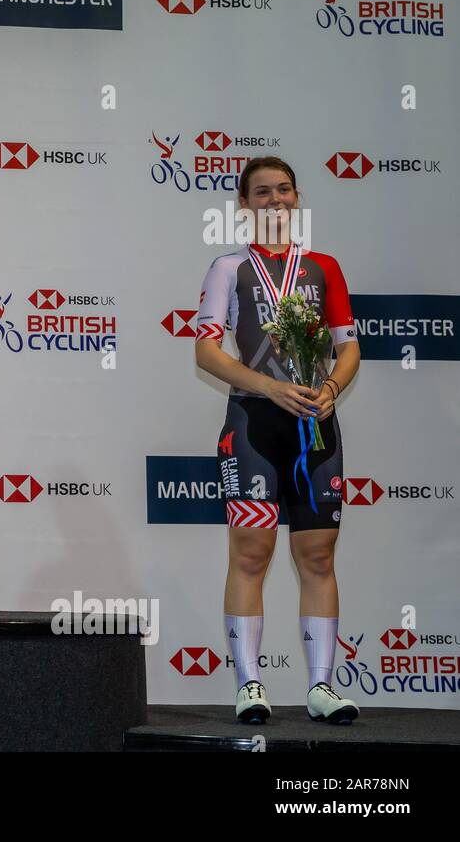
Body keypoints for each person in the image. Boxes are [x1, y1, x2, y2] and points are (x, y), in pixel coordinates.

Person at [195, 157, 362, 724]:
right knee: (252, 553)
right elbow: (207, 351)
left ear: (297, 198)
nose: (274, 200)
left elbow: (348, 346)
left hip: (315, 426)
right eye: (261, 193)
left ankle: (320, 687)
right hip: (254, 426)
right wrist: (268, 385)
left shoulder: (324, 267)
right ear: (244, 205)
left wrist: (333, 388)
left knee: (317, 556)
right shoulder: (228, 267)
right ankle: (250, 685)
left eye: (283, 190)